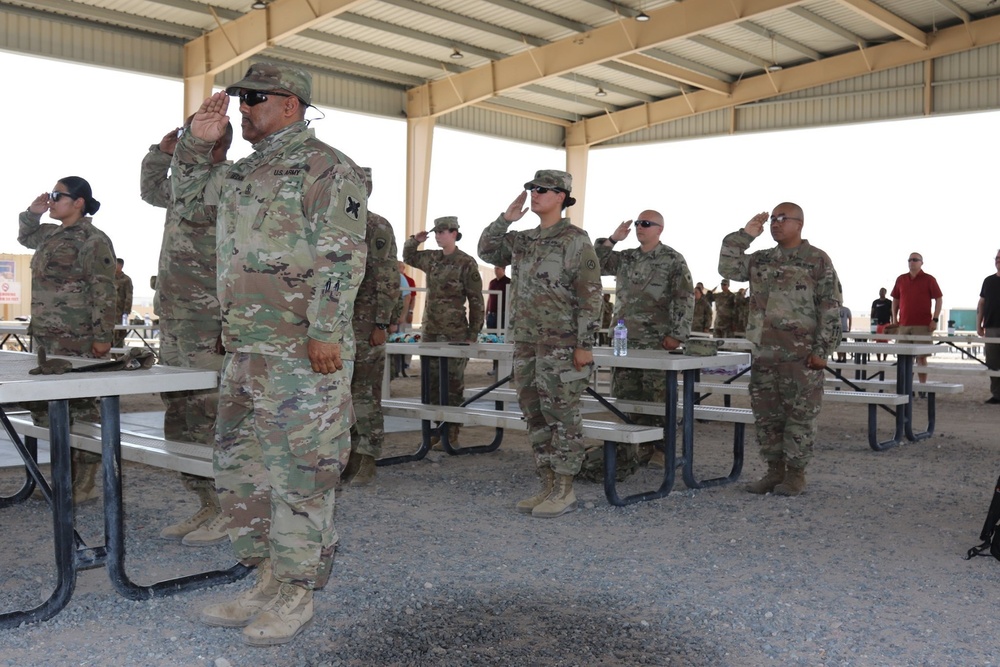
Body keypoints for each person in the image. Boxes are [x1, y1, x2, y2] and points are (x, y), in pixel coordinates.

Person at [171, 62, 367, 646]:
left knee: (301, 473)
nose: (242, 107)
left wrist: (326, 330)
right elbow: (184, 203)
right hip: (246, 349)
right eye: (239, 97)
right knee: (243, 469)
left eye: (252, 97)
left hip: (302, 351)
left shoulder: (328, 167)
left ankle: (296, 592)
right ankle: (265, 575)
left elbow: (342, 256)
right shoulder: (241, 172)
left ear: (289, 103)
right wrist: (193, 145)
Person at [478, 169, 602, 518]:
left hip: (561, 345)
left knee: (562, 415)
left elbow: (590, 295)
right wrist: (505, 219)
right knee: (534, 414)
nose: (535, 194)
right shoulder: (523, 239)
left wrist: (585, 343)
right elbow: (486, 250)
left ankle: (565, 488)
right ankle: (546, 483)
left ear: (561, 196)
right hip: (527, 343)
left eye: (543, 189)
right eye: (532, 188)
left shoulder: (575, 239)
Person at [140, 119, 233, 545]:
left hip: (209, 319)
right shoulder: (183, 185)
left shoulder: (230, 182)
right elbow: (148, 189)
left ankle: (232, 508)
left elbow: (245, 252)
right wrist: (160, 152)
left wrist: (231, 318)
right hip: (175, 317)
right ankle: (205, 503)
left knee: (213, 412)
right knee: (179, 412)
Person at [719, 203, 842, 497]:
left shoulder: (816, 260)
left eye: (782, 219)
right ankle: (774, 472)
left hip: (801, 355)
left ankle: (796, 475)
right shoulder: (761, 260)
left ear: (799, 224)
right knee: (767, 417)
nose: (775, 223)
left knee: (799, 416)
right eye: (773, 219)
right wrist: (745, 234)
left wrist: (822, 350)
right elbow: (727, 266)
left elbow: (830, 307)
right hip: (765, 353)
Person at [18, 177, 117, 503]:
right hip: (47, 338)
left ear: (78, 202)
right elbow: (27, 235)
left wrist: (102, 337)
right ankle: (63, 480)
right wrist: (33, 213)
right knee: (45, 411)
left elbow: (104, 290)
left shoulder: (93, 239)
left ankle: (84, 484)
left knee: (81, 411)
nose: (52, 199)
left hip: (77, 340)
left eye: (58, 195)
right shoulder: (51, 234)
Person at [595, 210, 693, 469]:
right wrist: (613, 239)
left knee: (657, 396)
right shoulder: (626, 257)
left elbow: (685, 296)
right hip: (624, 339)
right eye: (638, 223)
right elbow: (595, 262)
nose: (640, 227)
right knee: (627, 394)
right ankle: (636, 448)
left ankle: (662, 449)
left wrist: (677, 334)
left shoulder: (672, 259)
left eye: (646, 224)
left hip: (656, 340)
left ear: (660, 229)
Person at [403, 216, 484, 446]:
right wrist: (414, 241)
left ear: (454, 233)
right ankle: (432, 434)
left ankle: (451, 433)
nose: (438, 236)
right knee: (430, 384)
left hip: (455, 333)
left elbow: (476, 299)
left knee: (452, 384)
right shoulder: (432, 258)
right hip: (431, 331)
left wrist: (472, 334)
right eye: (436, 232)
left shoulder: (466, 263)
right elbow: (408, 257)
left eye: (442, 232)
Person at [342, 168, 401, 486]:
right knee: (341, 394)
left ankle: (367, 457)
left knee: (364, 393)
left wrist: (382, 321)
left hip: (365, 324)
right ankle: (347, 456)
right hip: (336, 322)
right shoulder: (333, 223)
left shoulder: (375, 225)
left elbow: (388, 277)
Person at [890, 252, 943, 385]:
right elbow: (895, 300)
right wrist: (895, 319)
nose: (911, 262)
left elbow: (939, 299)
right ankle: (906, 385)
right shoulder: (901, 279)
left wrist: (935, 319)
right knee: (904, 358)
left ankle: (922, 386)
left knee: (921, 358)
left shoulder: (929, 279)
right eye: (909, 260)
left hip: (923, 326)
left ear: (921, 263)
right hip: (904, 325)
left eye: (915, 260)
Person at [978, 249, 1000, 405]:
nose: (998, 260)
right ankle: (997, 395)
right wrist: (978, 324)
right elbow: (981, 303)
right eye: (997, 258)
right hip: (991, 327)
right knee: (992, 363)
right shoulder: (988, 281)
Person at [113, 258, 133, 349]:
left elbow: (129, 296)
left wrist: (126, 311)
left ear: (120, 266)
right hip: (109, 311)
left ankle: (118, 356)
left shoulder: (126, 280)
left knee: (119, 334)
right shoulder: (110, 278)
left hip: (120, 312)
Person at [486, 265, 512, 331]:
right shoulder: (492, 283)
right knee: (491, 336)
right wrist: (486, 312)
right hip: (491, 314)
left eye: (498, 268)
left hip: (503, 314)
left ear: (503, 269)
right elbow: (490, 298)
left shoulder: (509, 282)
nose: (495, 270)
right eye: (495, 268)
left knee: (502, 336)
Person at [870, 287, 893, 361]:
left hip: (886, 324)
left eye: (883, 292)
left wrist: (892, 324)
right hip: (877, 324)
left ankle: (884, 359)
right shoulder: (875, 302)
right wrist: (872, 325)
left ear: (885, 293)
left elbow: (892, 313)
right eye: (880, 291)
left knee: (885, 342)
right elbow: (872, 314)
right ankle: (878, 359)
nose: (881, 293)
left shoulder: (889, 302)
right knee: (878, 342)